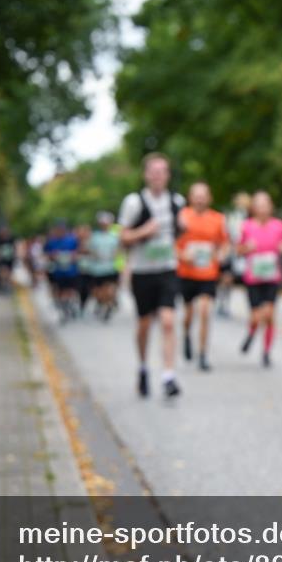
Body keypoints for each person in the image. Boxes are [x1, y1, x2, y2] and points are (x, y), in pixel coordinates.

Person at [118, 152, 186, 398]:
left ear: (167, 175)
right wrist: (143, 232)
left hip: (167, 269)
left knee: (168, 321)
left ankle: (168, 376)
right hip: (142, 271)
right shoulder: (133, 202)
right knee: (144, 324)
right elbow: (122, 237)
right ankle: (143, 367)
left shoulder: (177, 201)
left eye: (162, 171)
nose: (158, 176)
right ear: (146, 175)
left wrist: (182, 230)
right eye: (153, 172)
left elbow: (177, 233)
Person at [176, 182, 230, 371]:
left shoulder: (218, 219)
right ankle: (186, 334)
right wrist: (182, 255)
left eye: (203, 195)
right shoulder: (181, 217)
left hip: (208, 273)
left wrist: (221, 254)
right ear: (190, 197)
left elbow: (225, 243)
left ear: (209, 198)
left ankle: (203, 354)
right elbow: (171, 243)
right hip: (186, 273)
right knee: (188, 314)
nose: (199, 199)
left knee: (205, 311)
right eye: (196, 195)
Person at [238, 191, 282, 368]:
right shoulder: (246, 226)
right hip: (253, 278)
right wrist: (246, 248)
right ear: (253, 208)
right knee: (256, 317)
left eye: (265, 204)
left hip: (272, 277)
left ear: (271, 207)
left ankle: (266, 352)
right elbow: (238, 250)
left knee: (269, 315)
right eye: (258, 205)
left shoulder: (279, 226)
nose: (262, 208)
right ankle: (251, 331)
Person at [216, 191, 250, 317]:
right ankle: (222, 302)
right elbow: (227, 233)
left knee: (232, 280)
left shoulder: (249, 217)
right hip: (231, 252)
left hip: (242, 252)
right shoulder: (232, 216)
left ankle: (226, 303)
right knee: (226, 278)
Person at [86, 211, 120, 321]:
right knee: (97, 291)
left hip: (110, 268)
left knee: (109, 289)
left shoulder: (114, 236)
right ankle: (103, 304)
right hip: (96, 269)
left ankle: (108, 305)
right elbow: (90, 250)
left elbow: (118, 250)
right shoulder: (94, 237)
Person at [43, 221, 80, 323]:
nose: (60, 231)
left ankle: (68, 304)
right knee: (59, 290)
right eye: (58, 230)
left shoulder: (72, 240)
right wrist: (53, 255)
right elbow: (46, 253)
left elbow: (78, 251)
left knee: (70, 290)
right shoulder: (51, 241)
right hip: (58, 272)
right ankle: (62, 307)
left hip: (71, 271)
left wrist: (73, 256)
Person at [0, 225, 17, 294]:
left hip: (10, 259)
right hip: (2, 259)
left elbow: (14, 248)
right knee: (3, 272)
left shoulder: (11, 239)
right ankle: (3, 286)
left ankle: (9, 287)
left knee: (9, 273)